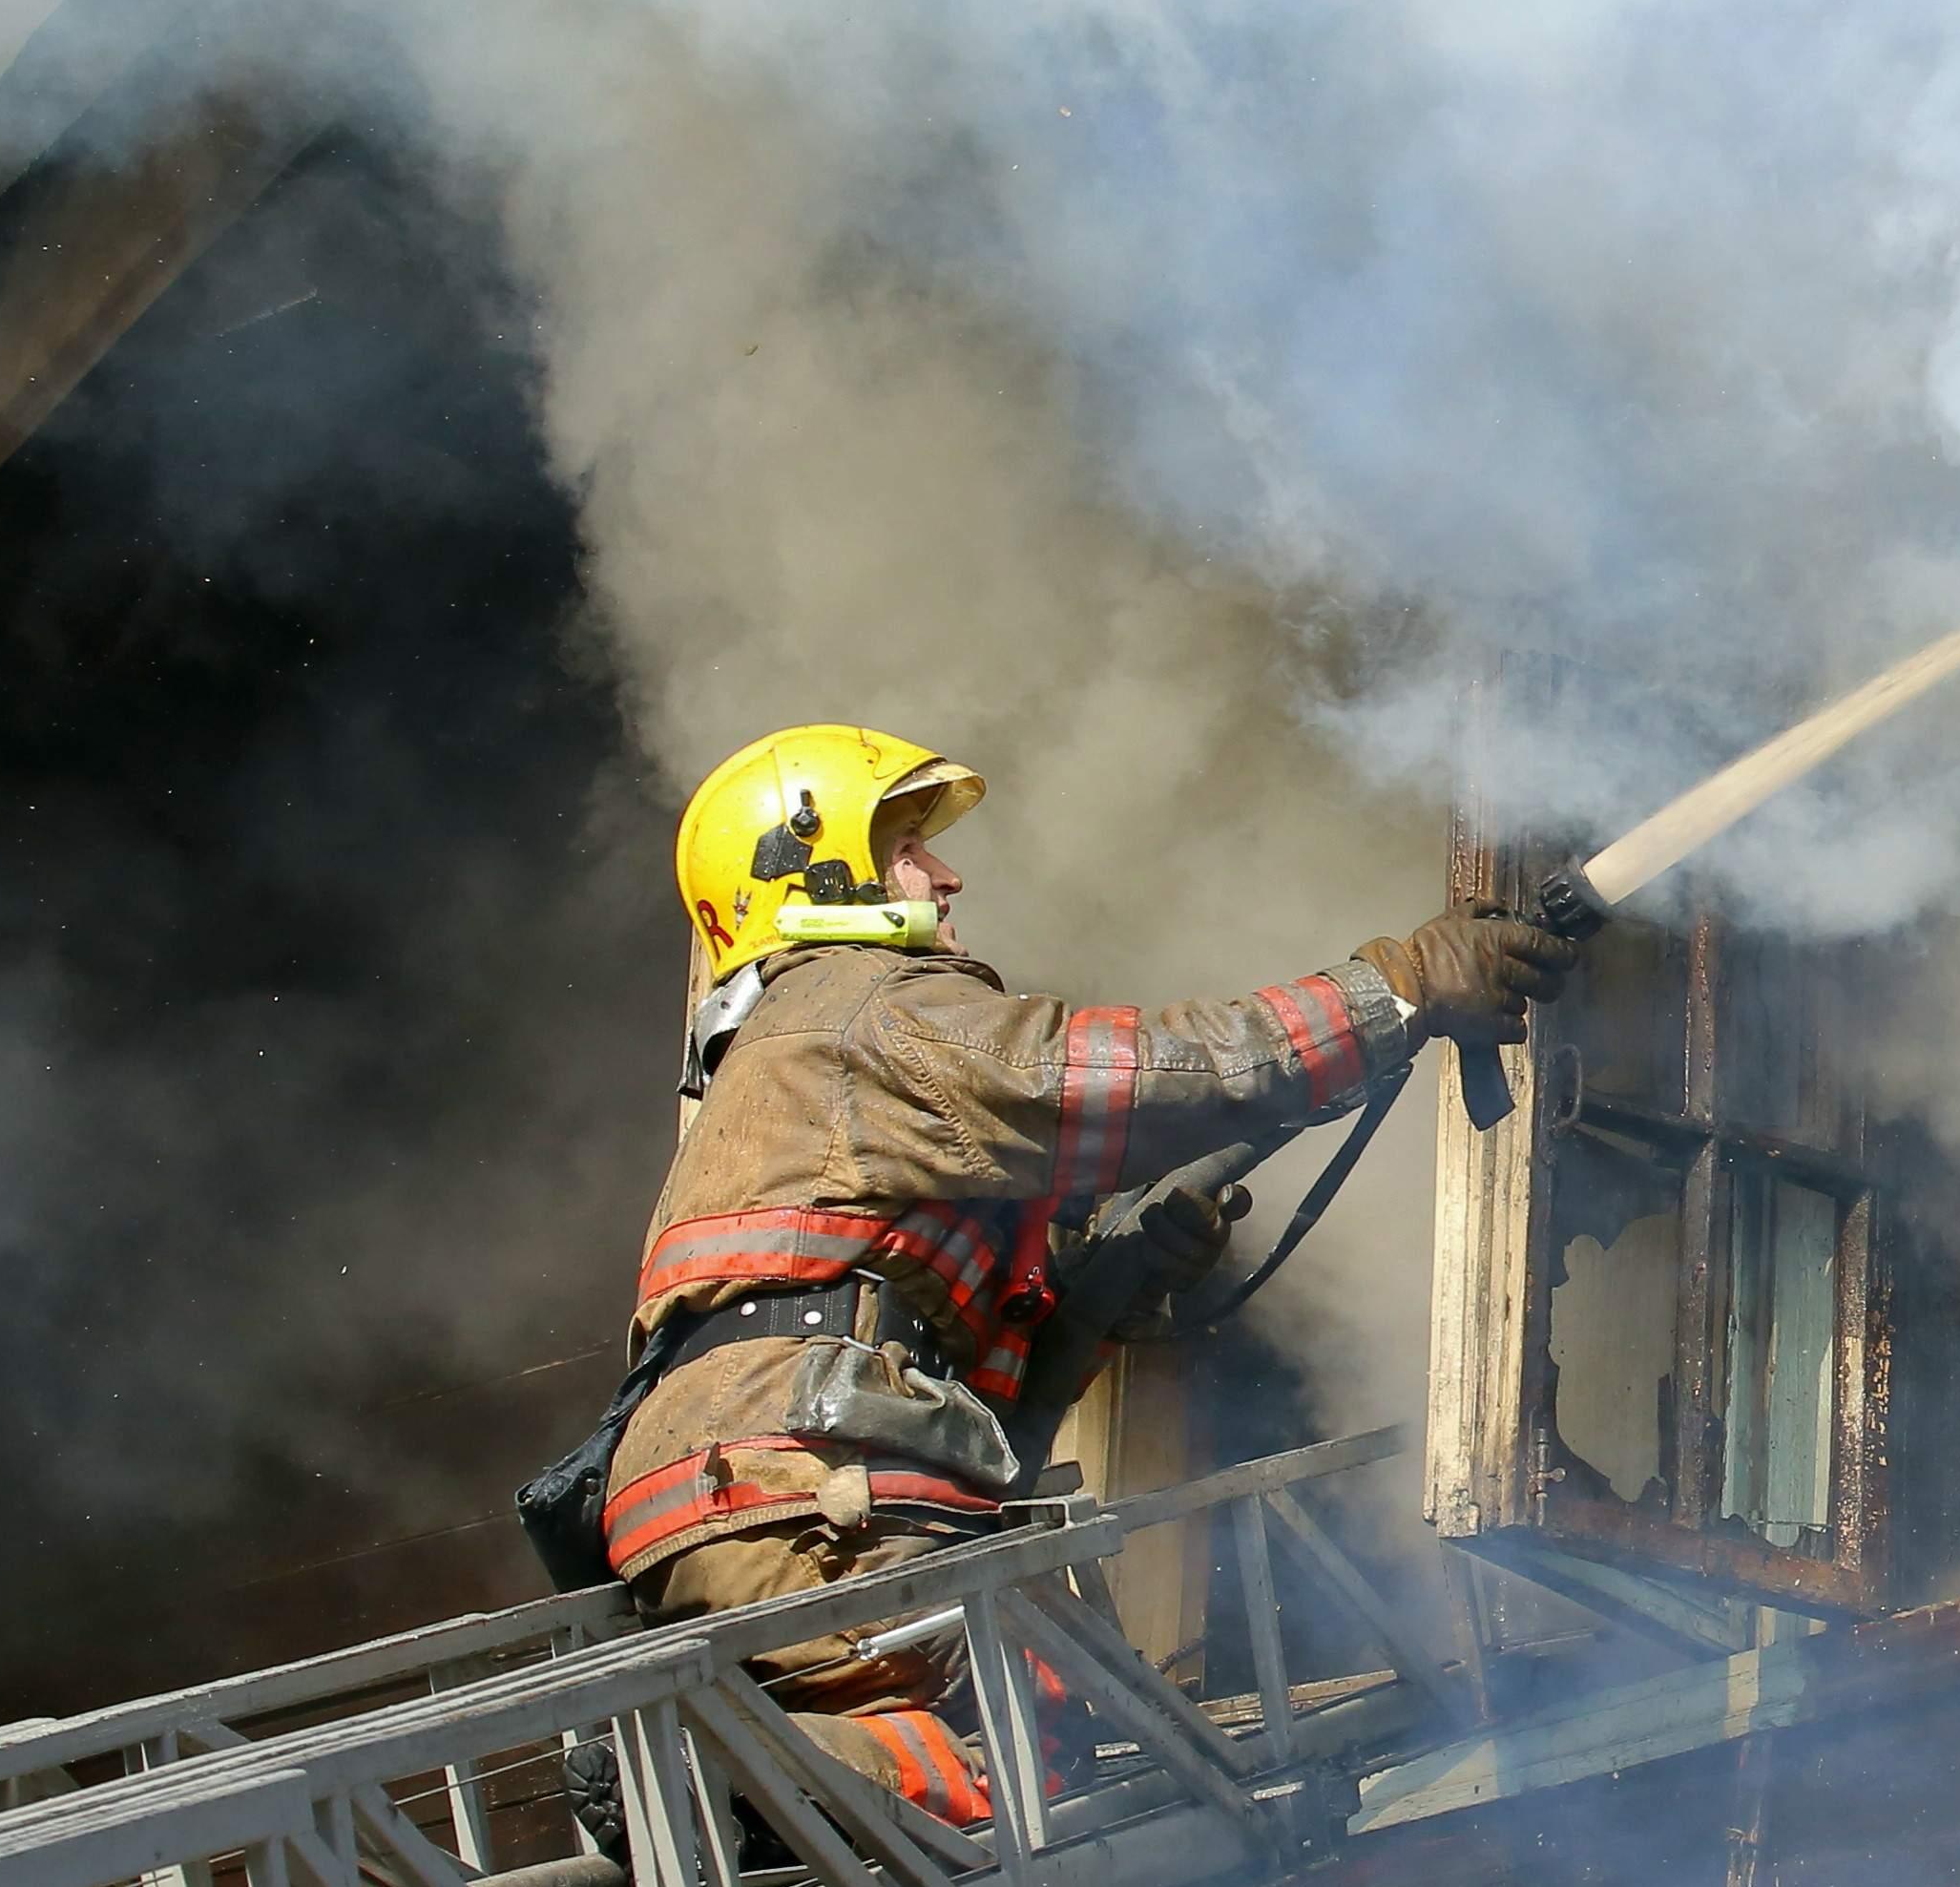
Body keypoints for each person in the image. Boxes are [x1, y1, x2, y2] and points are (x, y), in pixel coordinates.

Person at [590, 722, 1567, 1820]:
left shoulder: (790, 1068)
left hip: (745, 1501)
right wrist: (1400, 990)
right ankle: (708, 1780)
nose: (946, 873)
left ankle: (736, 1780)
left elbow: (988, 1404)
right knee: (1030, 1746)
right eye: (910, 846)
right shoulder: (862, 1005)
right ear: (809, 869)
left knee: (933, 1775)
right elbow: (1145, 1078)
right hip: (809, 1498)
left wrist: (1108, 1284)